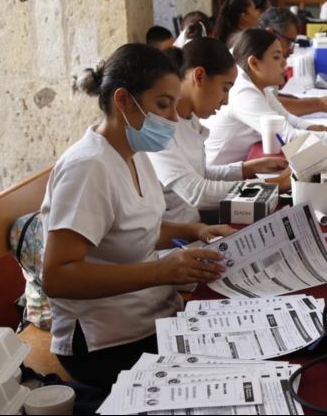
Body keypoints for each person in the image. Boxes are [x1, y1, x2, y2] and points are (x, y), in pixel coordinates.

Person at [41, 44, 232, 389]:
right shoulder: (88, 167)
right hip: (104, 342)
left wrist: (195, 229)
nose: (174, 118)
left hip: (153, 315)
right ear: (124, 100)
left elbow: (135, 229)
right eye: (163, 105)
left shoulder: (135, 152)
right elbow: (58, 276)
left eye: (174, 105)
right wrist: (160, 270)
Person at [148, 38, 290, 224]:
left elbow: (197, 173)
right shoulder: (160, 128)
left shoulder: (189, 119)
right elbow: (196, 192)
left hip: (195, 223)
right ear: (199, 77)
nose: (226, 100)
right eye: (225, 88)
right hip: (180, 238)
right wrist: (273, 186)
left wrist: (247, 168)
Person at [204, 29, 327, 166]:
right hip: (219, 175)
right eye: (277, 58)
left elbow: (288, 119)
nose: (284, 63)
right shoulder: (242, 91)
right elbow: (289, 135)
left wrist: (312, 127)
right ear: (254, 63)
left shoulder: (258, 87)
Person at [258, 7, 327, 116]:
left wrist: (294, 100)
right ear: (270, 33)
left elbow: (271, 96)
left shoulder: (266, 57)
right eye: (289, 42)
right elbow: (270, 105)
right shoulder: (253, 59)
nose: (291, 50)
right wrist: (321, 104)